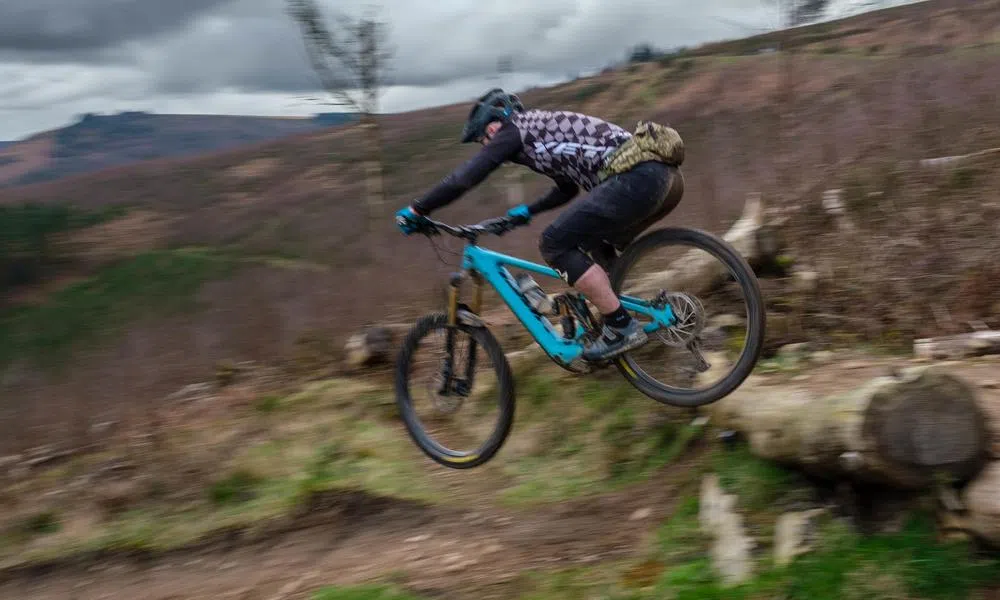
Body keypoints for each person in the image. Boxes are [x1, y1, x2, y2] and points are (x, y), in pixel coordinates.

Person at [395, 88, 685, 361]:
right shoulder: (538, 130)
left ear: (493, 127)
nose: (485, 146)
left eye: (482, 139)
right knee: (589, 243)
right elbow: (567, 189)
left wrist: (418, 209)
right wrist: (526, 211)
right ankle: (626, 316)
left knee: (554, 243)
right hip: (665, 180)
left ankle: (621, 327)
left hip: (639, 178)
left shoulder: (515, 129)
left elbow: (465, 178)